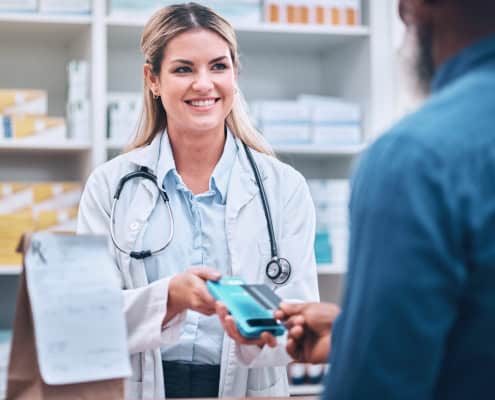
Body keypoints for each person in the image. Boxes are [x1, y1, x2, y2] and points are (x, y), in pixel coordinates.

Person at [77, 2, 319, 400]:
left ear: (235, 74)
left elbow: (298, 319)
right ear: (152, 79)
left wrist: (251, 323)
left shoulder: (284, 188)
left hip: (246, 388)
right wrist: (169, 298)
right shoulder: (109, 186)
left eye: (219, 66)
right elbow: (88, 318)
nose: (204, 84)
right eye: (183, 68)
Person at [277, 0, 495, 399]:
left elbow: (376, 388)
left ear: (410, 9)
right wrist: (351, 336)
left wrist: (365, 350)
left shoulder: (416, 158)